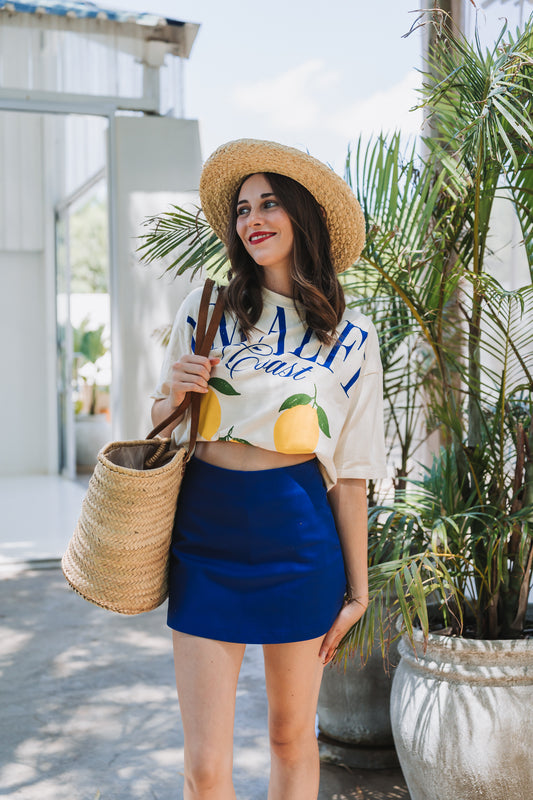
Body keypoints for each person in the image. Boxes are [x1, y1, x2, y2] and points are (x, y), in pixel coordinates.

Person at [150, 139, 387, 800]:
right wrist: (175, 392)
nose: (252, 218)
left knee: (290, 739)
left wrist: (359, 591)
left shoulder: (352, 337)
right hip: (205, 536)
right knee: (204, 766)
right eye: (243, 208)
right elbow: (160, 422)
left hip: (299, 539)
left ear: (302, 217)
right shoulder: (205, 312)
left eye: (269, 203)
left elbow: (352, 475)